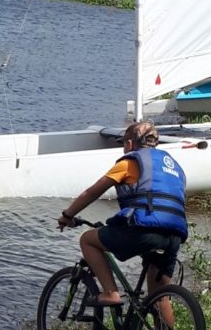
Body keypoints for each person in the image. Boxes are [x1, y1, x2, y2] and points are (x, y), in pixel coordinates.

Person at [57, 121, 188, 311]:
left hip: (144, 230)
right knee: (160, 297)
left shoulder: (129, 162)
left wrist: (67, 215)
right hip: (174, 234)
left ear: (130, 143)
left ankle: (110, 293)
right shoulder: (173, 167)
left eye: (123, 144)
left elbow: (92, 192)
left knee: (87, 239)